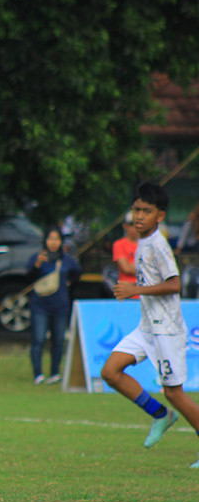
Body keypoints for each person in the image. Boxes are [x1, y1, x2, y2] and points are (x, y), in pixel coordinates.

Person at [100, 182, 199, 466]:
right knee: (110, 371)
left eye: (146, 211)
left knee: (174, 393)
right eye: (136, 210)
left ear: (160, 215)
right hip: (147, 327)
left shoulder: (158, 245)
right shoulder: (142, 242)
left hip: (167, 329)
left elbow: (175, 284)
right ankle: (160, 415)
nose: (139, 216)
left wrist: (136, 290)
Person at [27, 226, 81, 384]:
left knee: (58, 340)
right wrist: (36, 265)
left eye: (56, 239)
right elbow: (28, 278)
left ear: (61, 241)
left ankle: (55, 373)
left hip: (60, 306)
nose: (53, 242)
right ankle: (38, 374)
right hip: (40, 305)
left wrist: (70, 282)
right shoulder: (37, 258)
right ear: (45, 241)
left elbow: (78, 272)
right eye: (50, 239)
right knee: (38, 339)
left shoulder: (66, 259)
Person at [112, 212, 138, 288]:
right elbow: (126, 268)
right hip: (127, 292)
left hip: (145, 292)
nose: (134, 229)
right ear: (125, 226)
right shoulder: (119, 244)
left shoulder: (147, 245)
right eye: (131, 225)